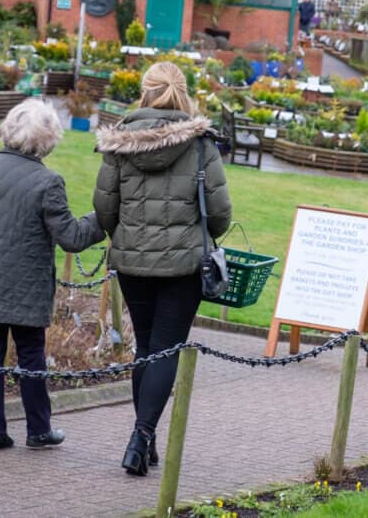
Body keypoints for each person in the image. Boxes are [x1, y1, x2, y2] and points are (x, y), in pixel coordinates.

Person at [93, 62, 231, 476]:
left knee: (146, 348)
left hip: (133, 263)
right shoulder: (201, 143)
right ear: (182, 94)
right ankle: (140, 438)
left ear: (145, 93)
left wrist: (130, 234)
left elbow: (104, 209)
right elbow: (220, 214)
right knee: (166, 349)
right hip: (183, 265)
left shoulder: (121, 142)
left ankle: (145, 439)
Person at [0, 99, 105, 452]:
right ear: (48, 137)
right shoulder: (47, 181)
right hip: (26, 289)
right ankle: (38, 430)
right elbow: (72, 238)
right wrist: (104, 217)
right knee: (31, 355)